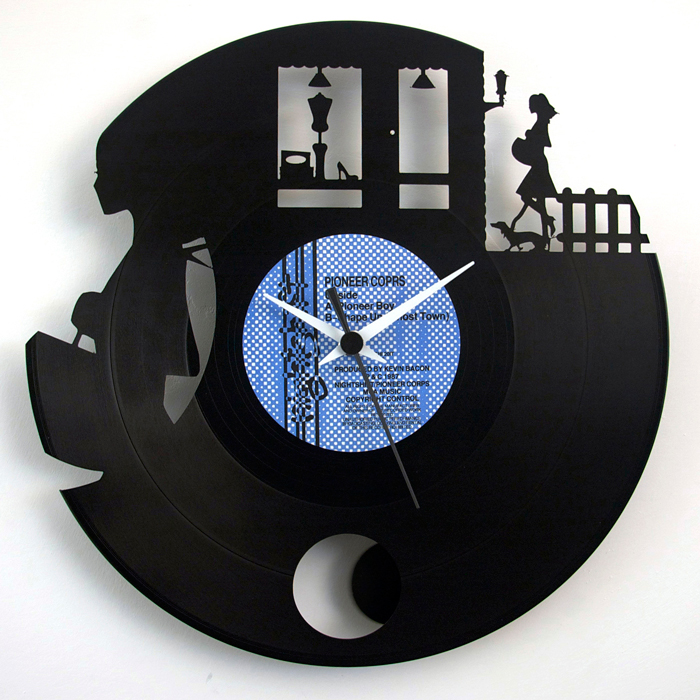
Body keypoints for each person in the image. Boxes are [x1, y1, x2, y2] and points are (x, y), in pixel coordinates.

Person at [510, 94, 558, 243]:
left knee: (532, 197)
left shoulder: (541, 122)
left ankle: (546, 230)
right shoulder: (540, 121)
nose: (530, 107)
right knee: (533, 197)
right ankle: (547, 224)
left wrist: (530, 135)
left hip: (539, 164)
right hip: (538, 164)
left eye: (531, 104)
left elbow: (544, 142)